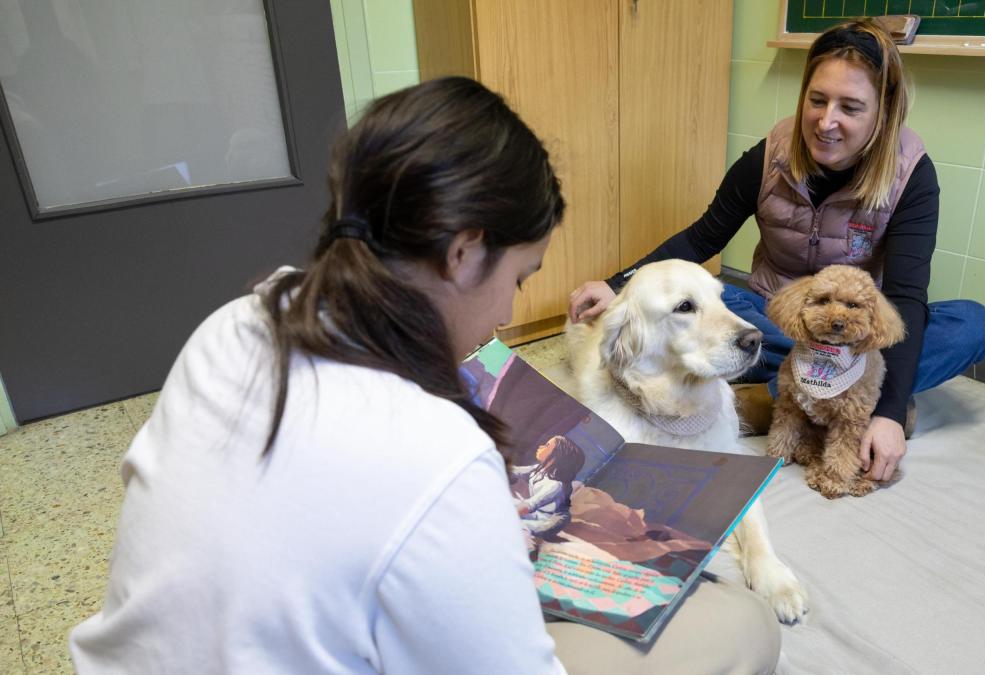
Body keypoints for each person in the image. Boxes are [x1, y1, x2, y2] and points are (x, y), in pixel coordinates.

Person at [70, 77, 781, 674]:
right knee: (743, 623)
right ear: (465, 252)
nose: (508, 310)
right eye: (519, 276)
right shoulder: (439, 452)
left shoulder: (233, 323)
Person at [568, 19, 985, 485]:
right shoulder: (770, 154)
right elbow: (703, 237)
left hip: (850, 339)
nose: (826, 121)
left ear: (884, 113)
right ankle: (819, 401)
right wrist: (617, 285)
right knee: (700, 304)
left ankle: (774, 401)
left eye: (850, 108)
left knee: (970, 324)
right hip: (773, 320)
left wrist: (889, 413)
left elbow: (907, 296)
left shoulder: (912, 175)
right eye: (817, 100)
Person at [513, 435, 586, 549]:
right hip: (537, 512)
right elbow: (518, 471)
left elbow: (528, 506)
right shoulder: (540, 469)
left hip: (549, 522)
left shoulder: (555, 485)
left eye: (547, 446)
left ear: (557, 457)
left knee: (518, 526)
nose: (541, 446)